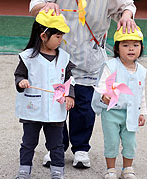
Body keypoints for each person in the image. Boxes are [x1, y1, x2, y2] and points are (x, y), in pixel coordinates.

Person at [30, 0, 138, 169]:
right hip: (58, 56)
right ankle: (55, 147)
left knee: (84, 106)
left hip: (90, 58)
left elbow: (127, 5)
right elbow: (34, 5)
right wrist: (45, 7)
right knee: (56, 103)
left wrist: (126, 16)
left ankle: (81, 149)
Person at [13, 9, 75, 179]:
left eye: (62, 36)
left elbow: (70, 80)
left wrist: (70, 94)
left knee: (56, 144)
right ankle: (24, 172)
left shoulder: (64, 58)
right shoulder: (27, 58)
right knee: (28, 143)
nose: (60, 40)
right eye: (57, 36)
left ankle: (57, 174)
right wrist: (21, 82)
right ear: (43, 35)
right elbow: (19, 75)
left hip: (55, 109)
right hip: (33, 108)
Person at [91, 26, 147, 179]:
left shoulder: (141, 71)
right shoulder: (111, 66)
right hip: (112, 112)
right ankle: (110, 170)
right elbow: (103, 85)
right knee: (112, 141)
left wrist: (141, 112)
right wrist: (105, 96)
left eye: (136, 45)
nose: (131, 49)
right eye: (125, 45)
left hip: (131, 112)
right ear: (116, 48)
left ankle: (127, 169)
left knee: (130, 141)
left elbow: (141, 93)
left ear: (141, 48)